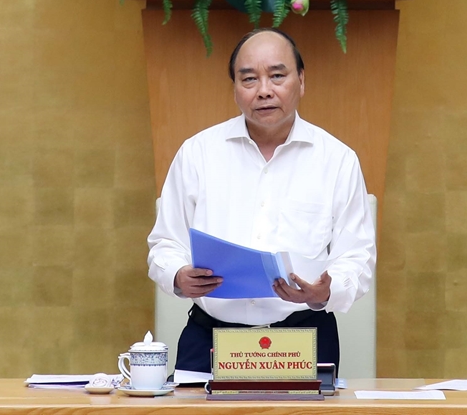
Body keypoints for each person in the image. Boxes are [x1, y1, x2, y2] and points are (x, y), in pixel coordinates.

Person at [147, 28, 376, 375]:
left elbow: (357, 257)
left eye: (277, 75)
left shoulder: (337, 159)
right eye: (249, 79)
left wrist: (324, 291)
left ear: (301, 81)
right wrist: (178, 276)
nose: (264, 90)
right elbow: (165, 243)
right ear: (235, 89)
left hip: (303, 339)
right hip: (210, 337)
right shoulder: (198, 153)